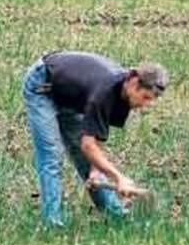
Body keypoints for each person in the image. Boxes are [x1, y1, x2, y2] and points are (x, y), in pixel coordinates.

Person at [22, 51, 168, 227]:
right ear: (134, 82)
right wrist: (118, 178)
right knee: (51, 154)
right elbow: (88, 145)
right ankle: (52, 223)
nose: (145, 105)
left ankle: (115, 215)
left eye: (150, 101)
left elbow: (95, 133)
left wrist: (96, 170)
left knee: (91, 162)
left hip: (70, 98)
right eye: (145, 97)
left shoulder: (124, 97)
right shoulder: (105, 91)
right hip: (43, 85)